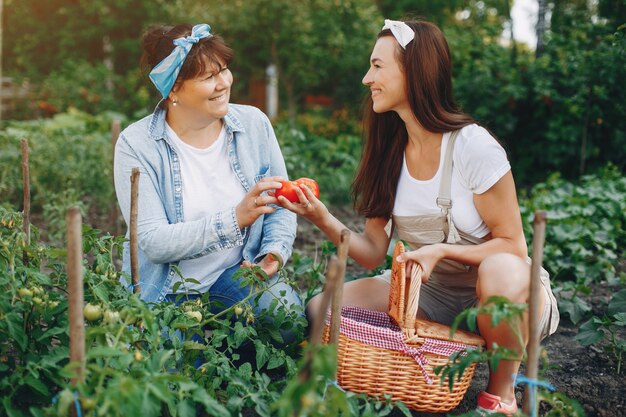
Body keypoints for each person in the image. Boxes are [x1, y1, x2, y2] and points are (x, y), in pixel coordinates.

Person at [276, 19, 559, 415]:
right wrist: (319, 215)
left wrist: (440, 250)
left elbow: (513, 246)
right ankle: (407, 372)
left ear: (414, 72)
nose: (365, 78)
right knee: (322, 308)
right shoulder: (388, 153)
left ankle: (500, 396)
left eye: (377, 66)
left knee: (499, 274)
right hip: (430, 294)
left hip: (506, 291)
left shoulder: (473, 147)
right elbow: (374, 252)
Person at [113, 23, 303, 342]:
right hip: (168, 293)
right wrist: (234, 219)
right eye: (208, 77)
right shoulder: (136, 145)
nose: (223, 83)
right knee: (178, 375)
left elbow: (282, 202)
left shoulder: (253, 125)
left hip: (234, 275)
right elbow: (153, 240)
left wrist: (273, 253)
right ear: (173, 88)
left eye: (224, 70)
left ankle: (230, 342)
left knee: (288, 322)